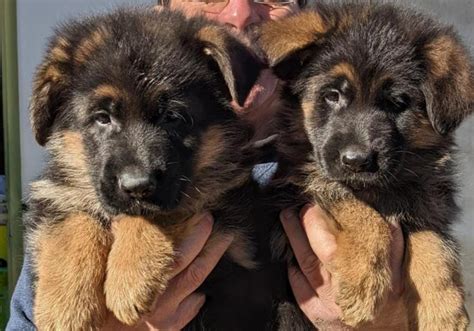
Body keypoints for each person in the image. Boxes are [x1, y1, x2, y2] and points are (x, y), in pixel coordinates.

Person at [7, 1, 405, 330]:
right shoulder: (78, 198)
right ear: (164, 7)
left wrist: (390, 322)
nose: (241, 15)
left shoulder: (357, 162)